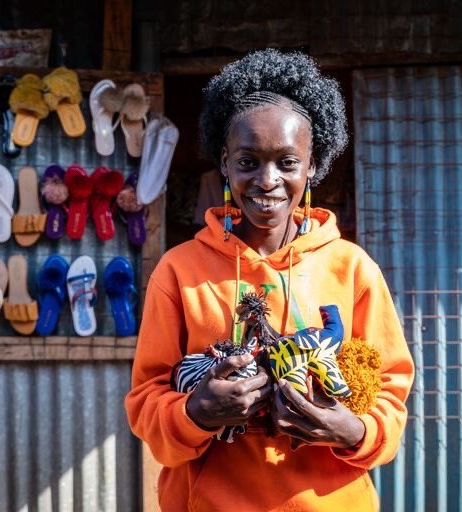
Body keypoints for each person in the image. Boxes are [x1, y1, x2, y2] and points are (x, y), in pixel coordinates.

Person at [125, 49, 414, 511]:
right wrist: (196, 412)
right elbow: (145, 405)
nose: (267, 180)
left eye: (286, 162)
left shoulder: (353, 269)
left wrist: (352, 430)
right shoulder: (178, 273)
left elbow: (391, 399)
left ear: (312, 164)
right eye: (247, 162)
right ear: (224, 163)